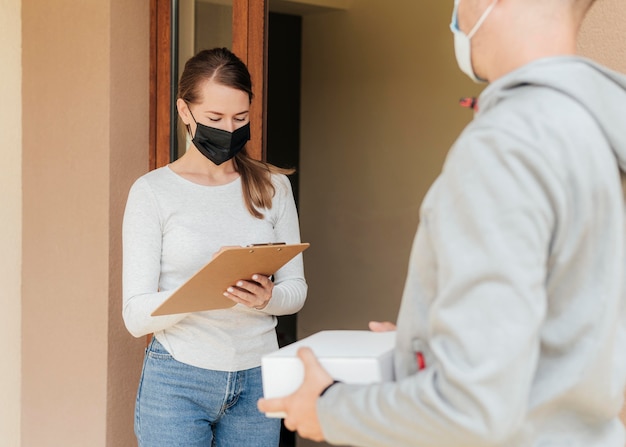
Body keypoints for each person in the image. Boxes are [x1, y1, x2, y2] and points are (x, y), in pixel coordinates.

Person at [258, 0, 626, 445]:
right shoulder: (597, 130)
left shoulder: (505, 145)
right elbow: (570, 325)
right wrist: (430, 341)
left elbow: (471, 406)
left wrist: (330, 410)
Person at [122, 47, 307, 447]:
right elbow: (135, 316)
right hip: (177, 381)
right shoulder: (152, 192)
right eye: (215, 118)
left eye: (240, 119)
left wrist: (266, 298)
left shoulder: (274, 188)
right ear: (184, 111)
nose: (229, 129)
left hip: (258, 375)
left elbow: (296, 292)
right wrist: (205, 287)